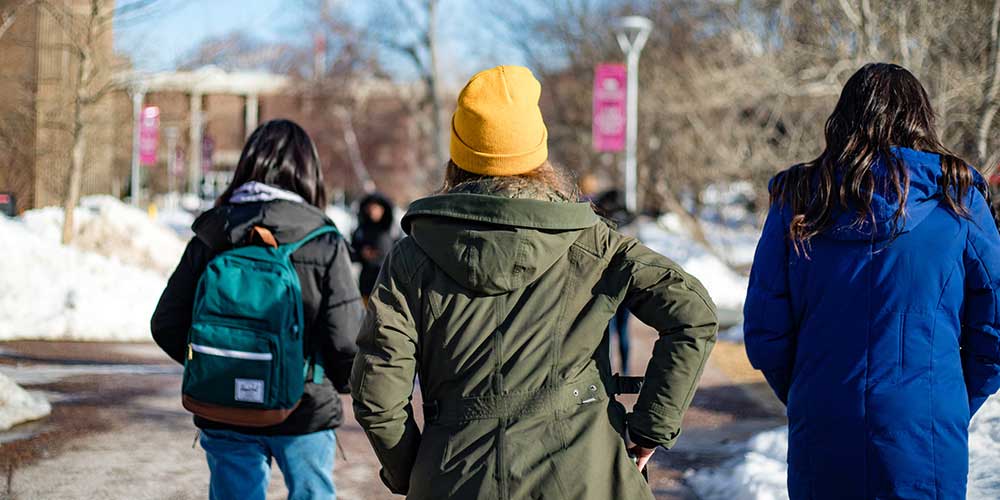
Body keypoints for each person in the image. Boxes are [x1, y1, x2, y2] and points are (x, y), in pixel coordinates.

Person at [350, 65, 718, 499]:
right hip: (585, 477)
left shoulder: (412, 257)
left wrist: (416, 471)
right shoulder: (592, 243)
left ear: (459, 155)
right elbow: (693, 314)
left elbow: (378, 394)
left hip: (454, 479)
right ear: (537, 153)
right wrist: (650, 429)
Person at [744, 63, 1000, 499]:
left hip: (823, 418)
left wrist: (816, 389)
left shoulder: (798, 200)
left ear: (842, 120)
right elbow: (994, 329)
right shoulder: (957, 201)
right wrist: (947, 401)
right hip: (926, 428)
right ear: (921, 118)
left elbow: (767, 330)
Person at [151, 119, 363, 500]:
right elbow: (346, 338)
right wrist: (343, 382)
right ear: (307, 172)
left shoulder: (212, 233)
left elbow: (166, 323)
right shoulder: (322, 240)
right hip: (305, 405)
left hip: (225, 405)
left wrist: (219, 365)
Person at [351, 192, 397, 299]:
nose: (373, 212)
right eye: (370, 208)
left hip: (386, 283)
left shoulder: (391, 231)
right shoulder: (361, 231)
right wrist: (361, 253)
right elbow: (352, 252)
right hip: (366, 284)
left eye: (376, 208)